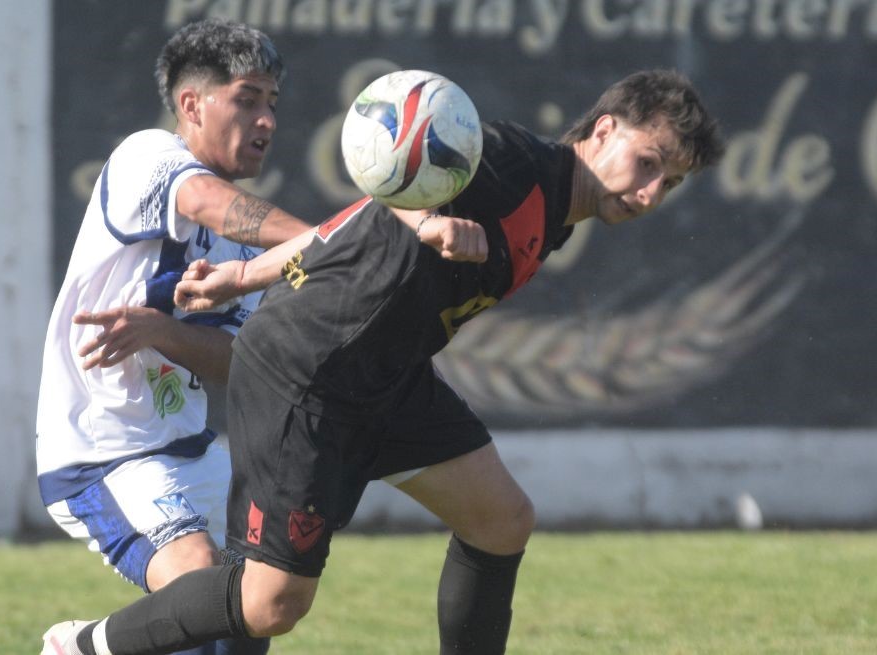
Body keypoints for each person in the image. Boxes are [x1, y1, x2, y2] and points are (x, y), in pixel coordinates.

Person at [45, 68, 725, 655]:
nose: (649, 193)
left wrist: (245, 276)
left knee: (502, 519)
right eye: (647, 163)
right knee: (269, 603)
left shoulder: (553, 214)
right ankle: (87, 645)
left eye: (669, 184)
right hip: (306, 373)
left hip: (389, 377)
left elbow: (357, 218)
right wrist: (427, 220)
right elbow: (396, 162)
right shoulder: (510, 161)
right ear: (603, 131)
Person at [36, 19, 314, 655]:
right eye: (247, 99)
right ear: (192, 104)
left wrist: (163, 331)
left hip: (191, 450)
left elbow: (242, 361)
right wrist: (335, 242)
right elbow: (204, 203)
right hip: (102, 452)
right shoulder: (148, 157)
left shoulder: (252, 243)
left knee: (252, 615)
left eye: (273, 102)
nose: (267, 120)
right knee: (200, 586)